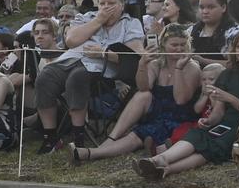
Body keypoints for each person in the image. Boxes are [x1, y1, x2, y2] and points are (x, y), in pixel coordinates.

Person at [135, 28, 239, 179]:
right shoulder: (227, 74)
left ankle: (168, 169)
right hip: (224, 123)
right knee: (197, 134)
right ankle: (157, 160)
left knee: (216, 144)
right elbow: (219, 111)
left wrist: (232, 99)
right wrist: (209, 120)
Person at [34, 0, 145, 152]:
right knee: (45, 77)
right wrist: (98, 20)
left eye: (111, 3)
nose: (105, 7)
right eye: (102, 3)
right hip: (71, 59)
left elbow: (133, 57)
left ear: (121, 5)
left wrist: (103, 53)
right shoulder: (86, 17)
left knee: (77, 77)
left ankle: (78, 136)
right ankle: (50, 136)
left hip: (103, 67)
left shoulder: (131, 24)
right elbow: (71, 41)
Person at [73, 24, 200, 164]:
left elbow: (181, 99)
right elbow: (143, 87)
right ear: (163, 44)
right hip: (157, 113)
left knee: (137, 137)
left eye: (183, 45)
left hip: (180, 117)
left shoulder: (192, 67)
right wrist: (142, 64)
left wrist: (178, 69)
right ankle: (110, 140)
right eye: (174, 45)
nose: (179, 49)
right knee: (142, 95)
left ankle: (90, 153)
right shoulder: (157, 63)